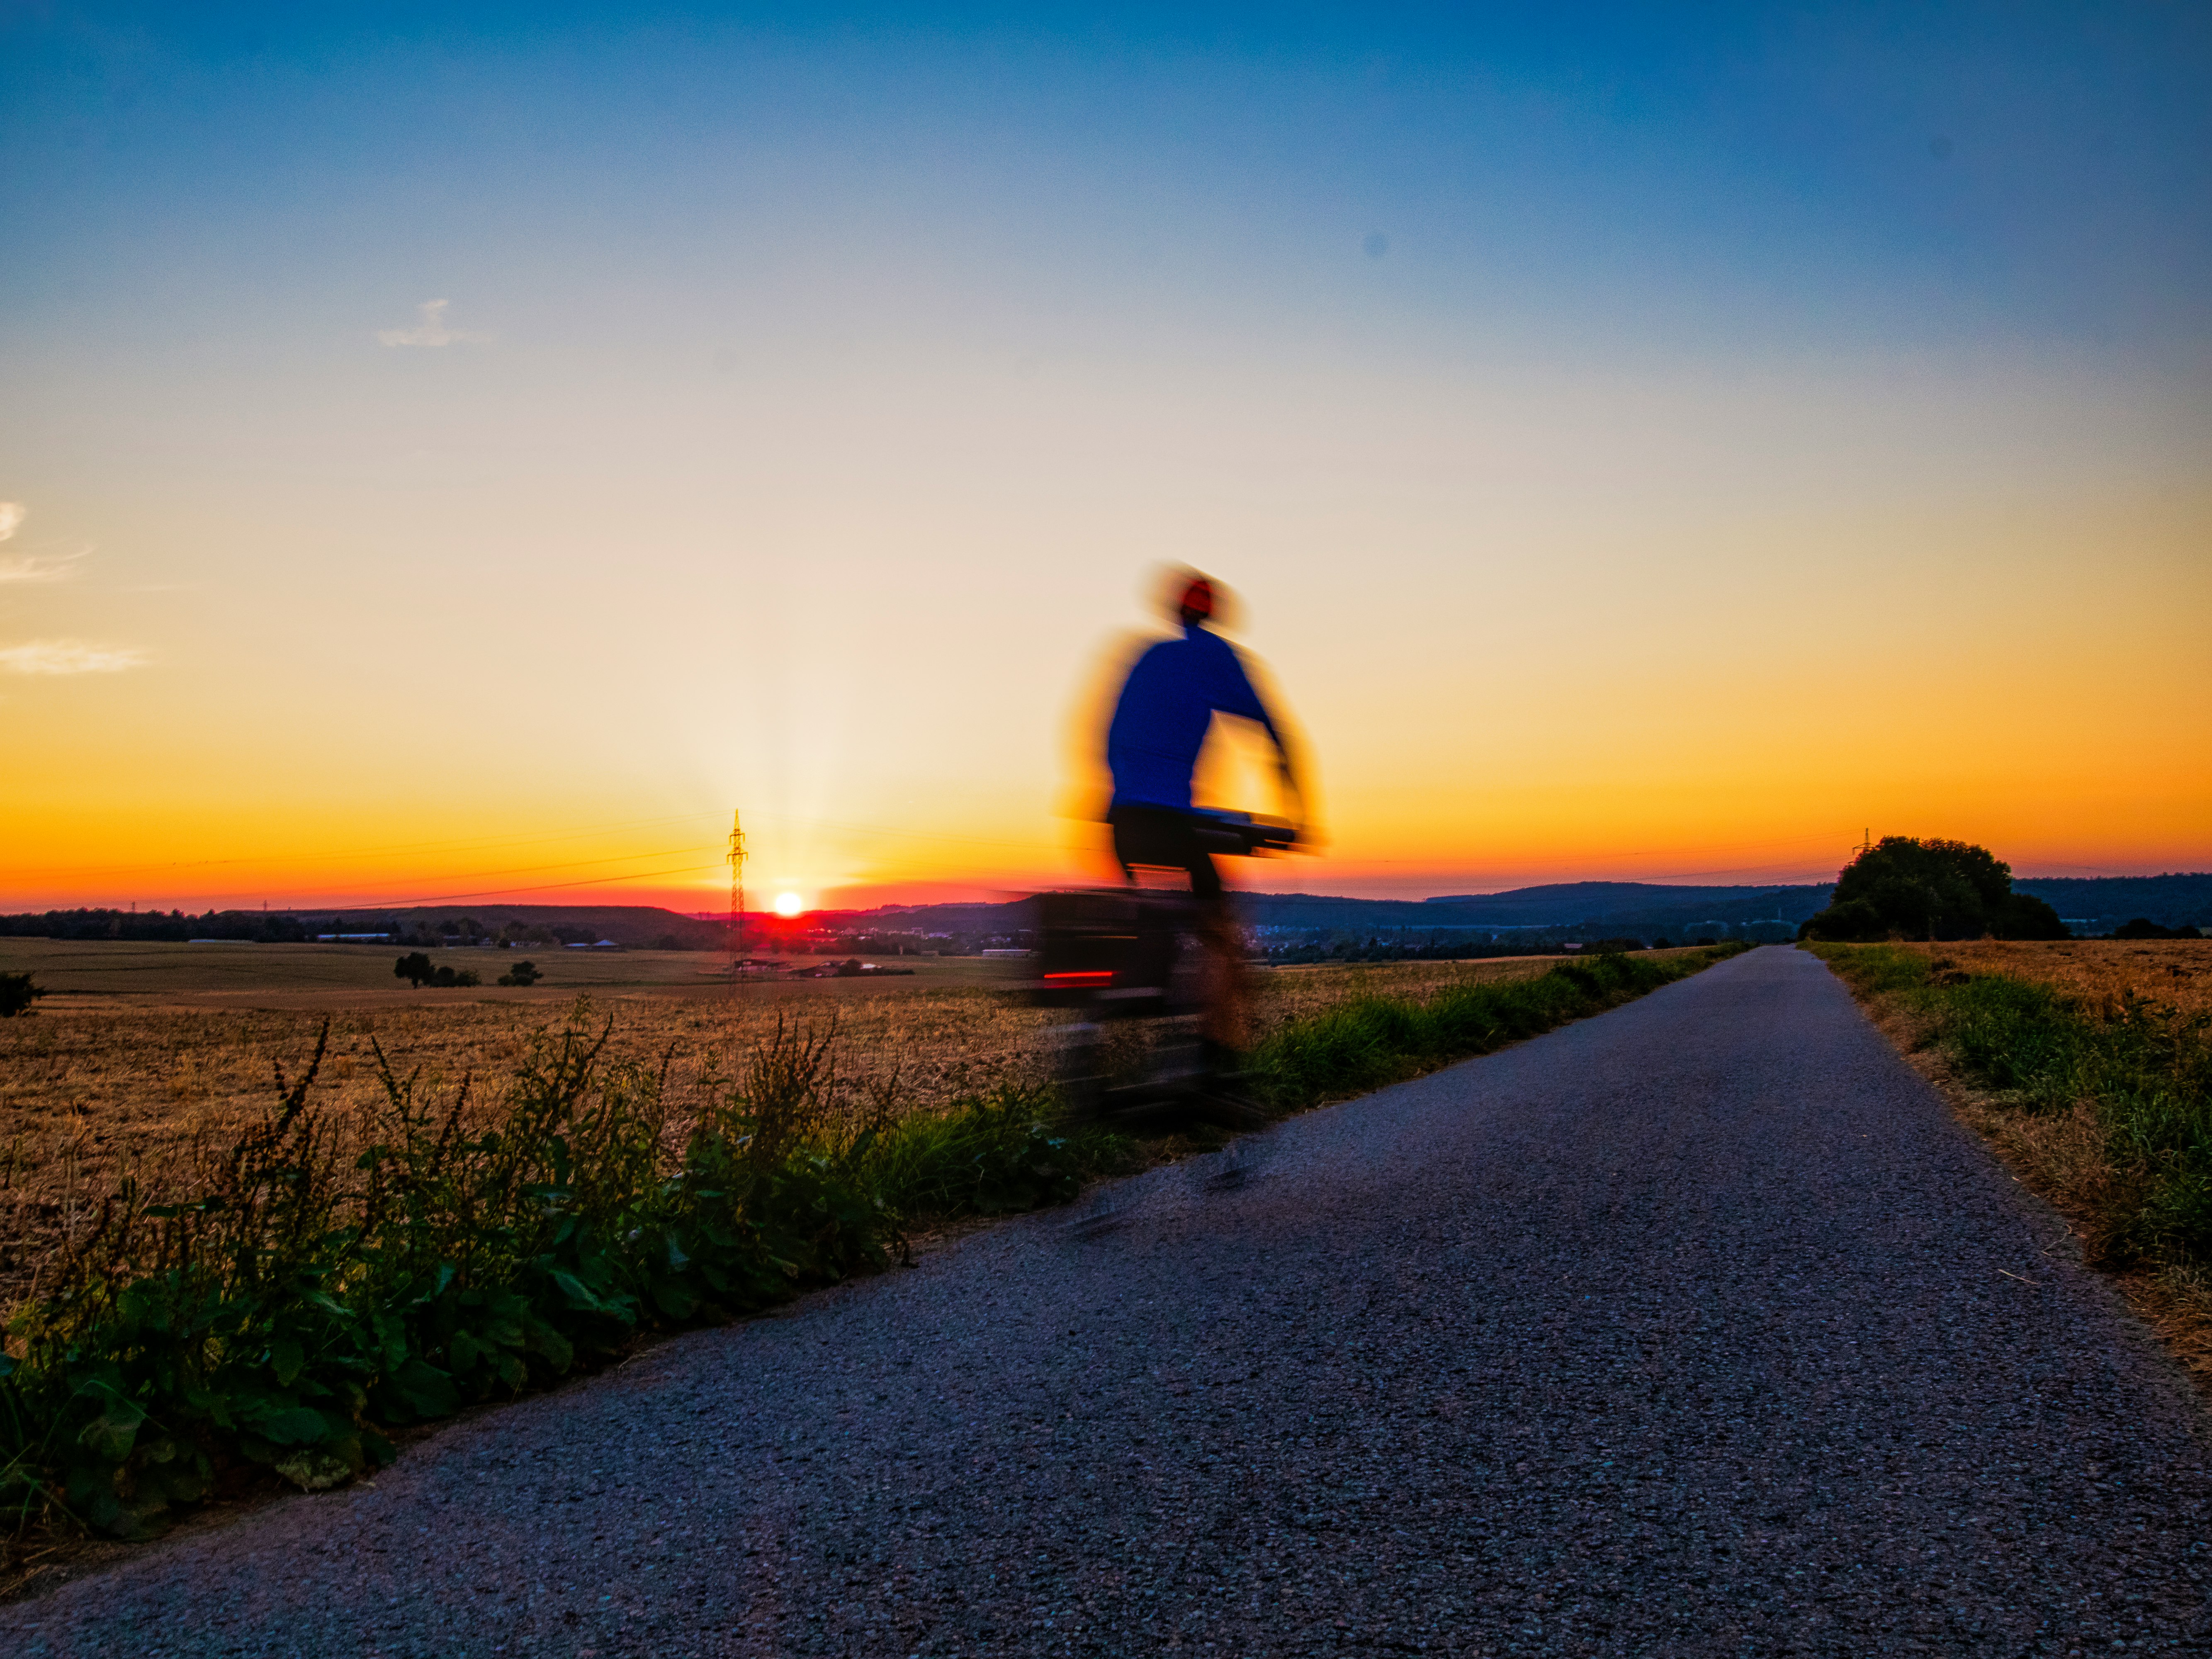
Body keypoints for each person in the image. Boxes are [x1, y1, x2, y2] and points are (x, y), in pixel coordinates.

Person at [1103, 569, 1305, 1073]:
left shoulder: (1146, 657)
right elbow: (1272, 732)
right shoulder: (1216, 656)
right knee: (1221, 936)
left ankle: (1117, 1027)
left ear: (1174, 611)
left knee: (1158, 922)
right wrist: (1298, 808)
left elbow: (1108, 741)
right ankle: (1216, 1065)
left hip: (1123, 823)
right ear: (1212, 613)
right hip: (1170, 822)